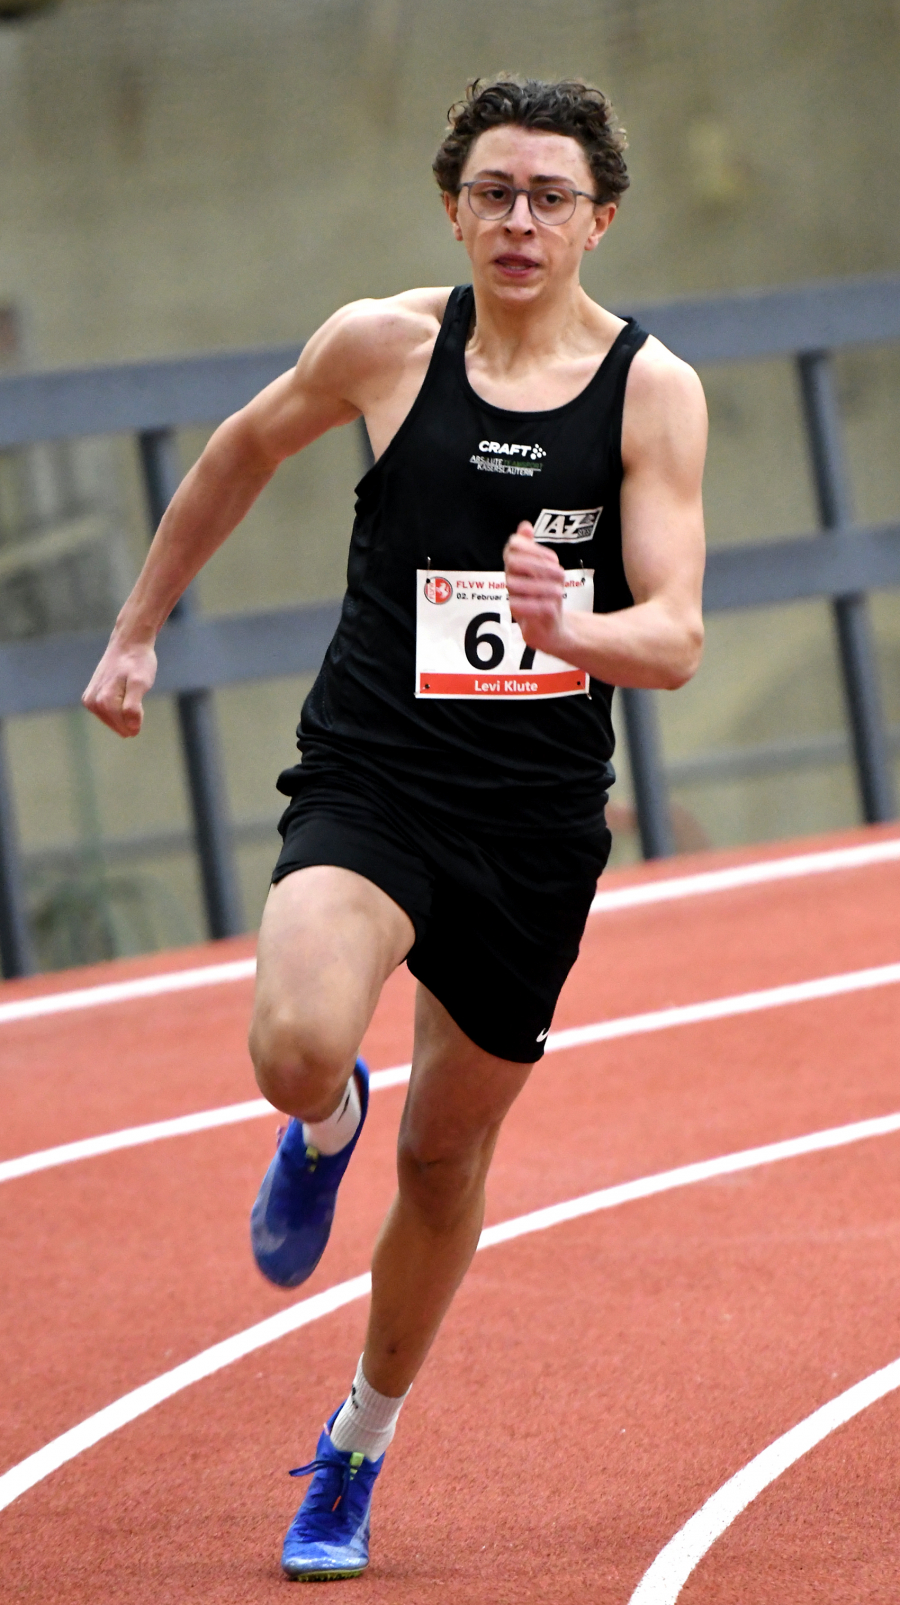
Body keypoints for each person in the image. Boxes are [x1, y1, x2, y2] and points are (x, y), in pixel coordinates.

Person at [83, 75, 707, 1582]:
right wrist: (138, 629)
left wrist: (576, 627)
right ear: (451, 207)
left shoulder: (652, 391)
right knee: (295, 1043)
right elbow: (239, 452)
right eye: (494, 191)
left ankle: (356, 1445)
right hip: (373, 775)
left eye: (550, 196)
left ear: (600, 220)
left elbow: (677, 633)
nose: (519, 220)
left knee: (443, 1158)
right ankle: (322, 1119)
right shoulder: (383, 346)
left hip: (532, 822)